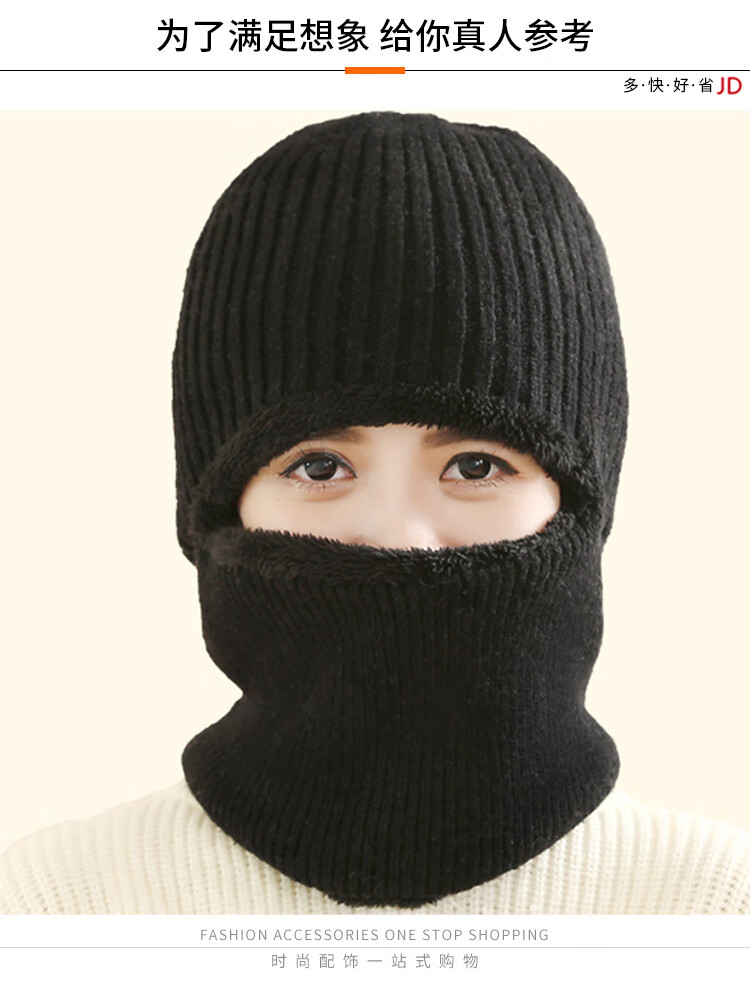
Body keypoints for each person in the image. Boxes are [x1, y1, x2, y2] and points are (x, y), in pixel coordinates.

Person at [1, 112, 748, 915]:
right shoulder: (52, 903)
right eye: (319, 467)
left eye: (477, 465)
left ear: (586, 498)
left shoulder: (718, 906)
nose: (399, 537)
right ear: (211, 505)